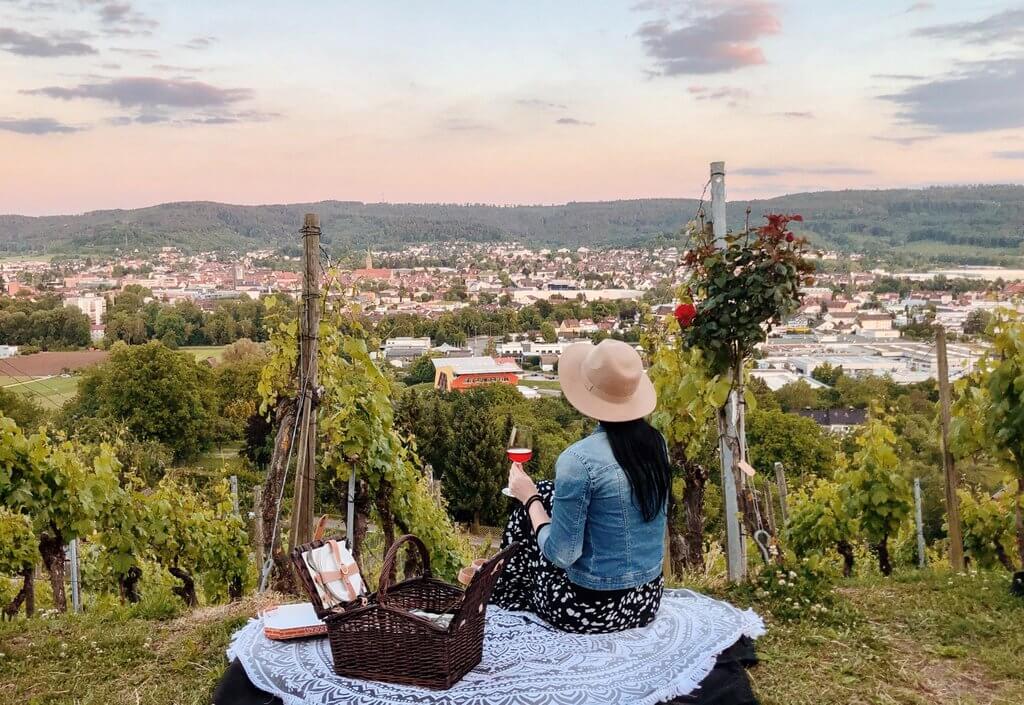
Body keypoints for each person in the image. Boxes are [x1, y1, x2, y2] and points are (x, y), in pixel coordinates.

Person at [491, 338, 670, 634]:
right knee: (550, 491)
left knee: (531, 504)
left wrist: (529, 498)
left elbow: (562, 555)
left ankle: (504, 584)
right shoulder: (656, 443)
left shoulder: (578, 460)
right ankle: (503, 574)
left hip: (587, 608)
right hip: (646, 598)